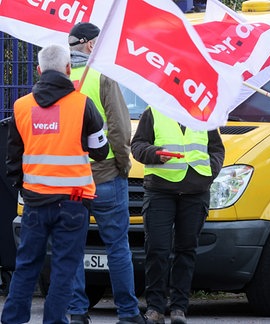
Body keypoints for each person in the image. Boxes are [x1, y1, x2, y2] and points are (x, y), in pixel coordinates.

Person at [1, 44, 109, 324]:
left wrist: (23, 188)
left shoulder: (21, 107)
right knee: (64, 269)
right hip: (73, 203)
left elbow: (13, 159)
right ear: (68, 69)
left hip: (35, 203)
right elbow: (101, 151)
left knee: (26, 265)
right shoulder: (82, 104)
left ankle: (12, 319)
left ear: (38, 71)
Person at [66, 22, 144, 324]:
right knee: (117, 246)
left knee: (72, 246)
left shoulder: (57, 78)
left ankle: (76, 311)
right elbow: (120, 128)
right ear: (88, 46)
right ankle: (127, 312)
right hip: (106, 175)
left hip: (69, 179)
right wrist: (123, 165)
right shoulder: (102, 76)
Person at [131, 106, 225, 324]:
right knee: (157, 249)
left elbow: (217, 149)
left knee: (186, 250)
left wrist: (210, 171)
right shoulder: (154, 110)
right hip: (160, 192)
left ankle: (179, 309)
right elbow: (137, 146)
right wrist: (154, 153)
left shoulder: (204, 114)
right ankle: (155, 308)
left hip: (195, 192)